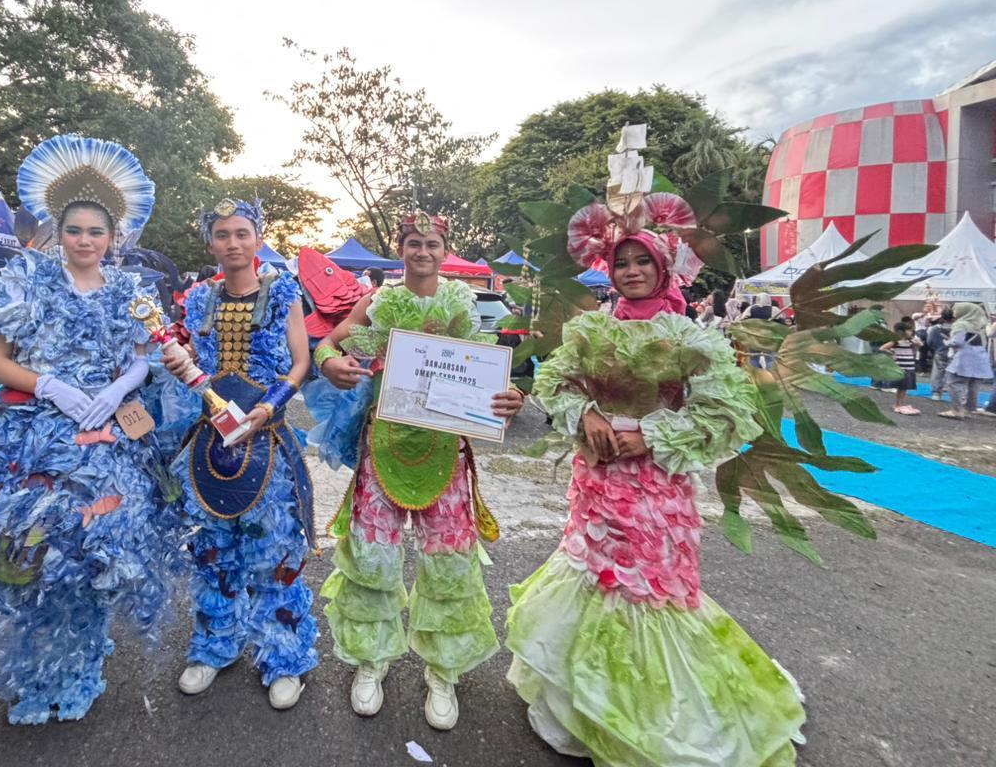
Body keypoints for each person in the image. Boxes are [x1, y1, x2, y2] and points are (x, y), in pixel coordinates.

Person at [0, 136, 190, 743]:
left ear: (113, 237)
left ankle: (77, 667)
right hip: (24, 437)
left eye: (95, 232)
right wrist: (51, 386)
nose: (84, 241)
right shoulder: (26, 281)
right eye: (74, 230)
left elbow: (144, 357)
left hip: (105, 438)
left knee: (92, 550)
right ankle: (35, 666)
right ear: (58, 230)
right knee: (21, 553)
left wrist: (118, 387)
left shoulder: (130, 292)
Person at [506, 222, 805, 764]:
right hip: (599, 481)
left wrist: (650, 436)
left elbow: (724, 412)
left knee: (648, 586)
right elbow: (554, 384)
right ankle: (583, 702)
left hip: (656, 485)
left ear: (663, 268)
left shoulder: (690, 336)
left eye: (642, 261)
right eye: (622, 263)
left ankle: (645, 712)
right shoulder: (593, 329)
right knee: (595, 573)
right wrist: (587, 414)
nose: (632, 272)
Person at [308, 211, 524, 731]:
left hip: (445, 448)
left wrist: (511, 396)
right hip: (383, 443)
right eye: (413, 243)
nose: (422, 252)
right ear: (399, 249)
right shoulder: (377, 301)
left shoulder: (463, 302)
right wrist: (328, 363)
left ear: (444, 249)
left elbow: (488, 370)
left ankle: (442, 671)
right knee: (372, 557)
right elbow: (331, 342)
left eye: (431, 243)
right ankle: (371, 659)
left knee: (449, 562)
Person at [161, 197, 317, 711]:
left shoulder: (283, 292)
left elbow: (300, 363)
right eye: (223, 234)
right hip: (210, 444)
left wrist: (269, 407)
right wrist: (180, 360)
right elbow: (193, 362)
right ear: (210, 243)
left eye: (242, 233)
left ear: (258, 239)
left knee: (274, 553)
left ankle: (285, 656)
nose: (233, 243)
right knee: (213, 551)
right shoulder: (199, 300)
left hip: (266, 442)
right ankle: (215, 645)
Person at [939, 303, 994, 421]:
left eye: (956, 310)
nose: (954, 312)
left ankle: (957, 410)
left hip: (965, 355)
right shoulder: (980, 324)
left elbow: (957, 342)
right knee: (974, 383)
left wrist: (947, 342)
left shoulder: (961, 324)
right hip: (980, 355)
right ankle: (970, 409)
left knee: (954, 382)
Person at [880, 318, 922, 415]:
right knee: (902, 388)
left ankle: (899, 404)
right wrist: (892, 353)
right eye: (909, 330)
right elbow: (882, 348)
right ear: (901, 332)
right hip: (901, 368)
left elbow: (918, 347)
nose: (911, 332)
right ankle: (898, 405)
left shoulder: (910, 342)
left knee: (904, 388)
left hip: (909, 367)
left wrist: (917, 345)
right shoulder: (896, 342)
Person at [926, 308, 954, 400]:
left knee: (937, 372)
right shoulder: (957, 328)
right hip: (954, 353)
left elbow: (929, 342)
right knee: (952, 373)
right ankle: (951, 392)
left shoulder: (935, 328)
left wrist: (936, 348)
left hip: (940, 351)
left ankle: (936, 393)